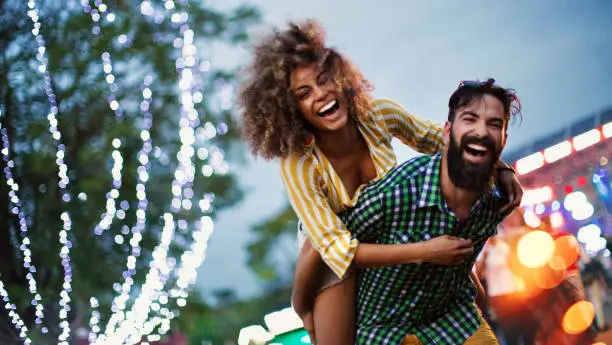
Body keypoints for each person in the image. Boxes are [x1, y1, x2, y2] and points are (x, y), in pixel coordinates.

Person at [238, 19, 522, 345]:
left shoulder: (378, 115)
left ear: (340, 78)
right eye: (305, 93)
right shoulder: (299, 165)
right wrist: (426, 251)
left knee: (468, 296)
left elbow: (441, 139)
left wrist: (502, 168)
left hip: (392, 227)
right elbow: (335, 249)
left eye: (323, 80)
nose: (321, 95)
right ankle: (304, 308)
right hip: (332, 248)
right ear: (291, 109)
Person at [319, 78, 521, 344]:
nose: (481, 131)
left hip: (449, 318)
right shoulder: (399, 190)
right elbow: (334, 251)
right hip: (383, 329)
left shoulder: (499, 199)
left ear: (504, 138)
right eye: (470, 119)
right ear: (447, 132)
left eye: (494, 124)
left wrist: (504, 170)